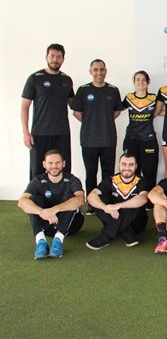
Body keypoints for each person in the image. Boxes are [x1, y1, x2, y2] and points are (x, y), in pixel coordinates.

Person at [71, 59, 123, 215]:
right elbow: (76, 112)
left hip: (108, 138)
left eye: (101, 69)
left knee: (108, 173)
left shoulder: (113, 90)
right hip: (88, 139)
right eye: (95, 70)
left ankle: (106, 201)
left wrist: (104, 121)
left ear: (106, 71)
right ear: (90, 72)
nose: (99, 73)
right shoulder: (83, 90)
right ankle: (93, 205)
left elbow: (117, 111)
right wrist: (90, 122)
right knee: (91, 172)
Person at [17, 150, 85, 259]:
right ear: (44, 164)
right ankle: (40, 242)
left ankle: (58, 239)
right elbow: (22, 201)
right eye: (50, 163)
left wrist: (54, 210)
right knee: (32, 200)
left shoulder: (72, 180)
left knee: (71, 199)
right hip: (48, 224)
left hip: (72, 225)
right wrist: (43, 212)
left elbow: (80, 200)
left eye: (57, 163)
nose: (54, 166)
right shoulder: (38, 181)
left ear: (63, 163)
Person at [21, 43, 75, 179]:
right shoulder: (35, 78)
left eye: (58, 57)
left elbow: (74, 105)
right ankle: (35, 200)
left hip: (62, 133)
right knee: (37, 172)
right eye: (52, 56)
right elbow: (24, 106)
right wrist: (26, 132)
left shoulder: (66, 80)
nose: (55, 59)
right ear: (46, 57)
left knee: (65, 170)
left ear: (63, 59)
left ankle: (64, 199)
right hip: (39, 134)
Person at [85, 153, 150, 250]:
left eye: (131, 165)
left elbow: (143, 199)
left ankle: (105, 237)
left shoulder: (141, 181)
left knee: (133, 203)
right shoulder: (111, 180)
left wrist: (118, 206)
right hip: (114, 216)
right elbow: (91, 196)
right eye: (124, 164)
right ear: (119, 165)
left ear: (136, 166)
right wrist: (105, 207)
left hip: (136, 223)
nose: (127, 168)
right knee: (99, 200)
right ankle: (126, 233)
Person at [122, 70, 159, 203]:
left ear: (148, 82)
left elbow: (160, 112)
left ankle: (150, 201)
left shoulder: (154, 98)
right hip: (131, 139)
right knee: (132, 171)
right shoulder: (129, 98)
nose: (141, 82)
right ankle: (133, 199)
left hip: (148, 139)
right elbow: (115, 109)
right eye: (138, 79)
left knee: (150, 172)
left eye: (143, 80)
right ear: (134, 82)